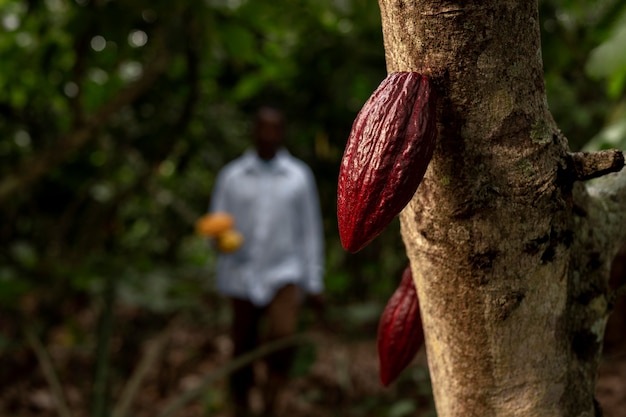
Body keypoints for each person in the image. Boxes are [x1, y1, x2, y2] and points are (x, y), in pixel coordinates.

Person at [208, 106, 325, 417]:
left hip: (285, 274)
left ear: (282, 133)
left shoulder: (299, 177)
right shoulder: (232, 177)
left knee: (281, 343)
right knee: (242, 346)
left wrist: (314, 281)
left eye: (276, 129)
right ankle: (241, 404)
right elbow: (216, 225)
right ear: (255, 131)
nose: (269, 135)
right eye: (264, 128)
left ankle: (273, 402)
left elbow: (310, 230)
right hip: (240, 274)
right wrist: (221, 240)